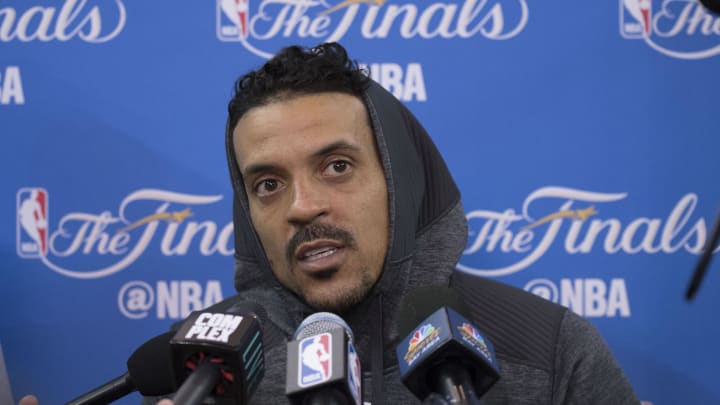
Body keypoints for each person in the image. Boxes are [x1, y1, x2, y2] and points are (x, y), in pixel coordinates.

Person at [21, 42, 639, 405]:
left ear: (402, 182)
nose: (301, 206)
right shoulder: (207, 374)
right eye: (268, 184)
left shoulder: (548, 348)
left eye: (336, 166)